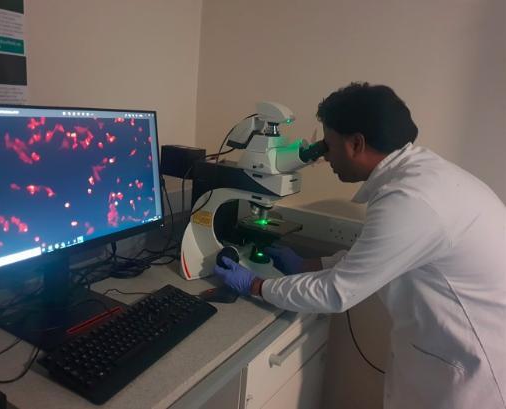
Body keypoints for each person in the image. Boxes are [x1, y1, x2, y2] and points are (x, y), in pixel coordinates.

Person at [214, 83, 506, 409]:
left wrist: (254, 285)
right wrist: (309, 265)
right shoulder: (423, 178)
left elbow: (336, 294)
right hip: (444, 355)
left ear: (356, 144)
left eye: (329, 144)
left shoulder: (411, 200)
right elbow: (378, 257)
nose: (323, 156)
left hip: (468, 378)